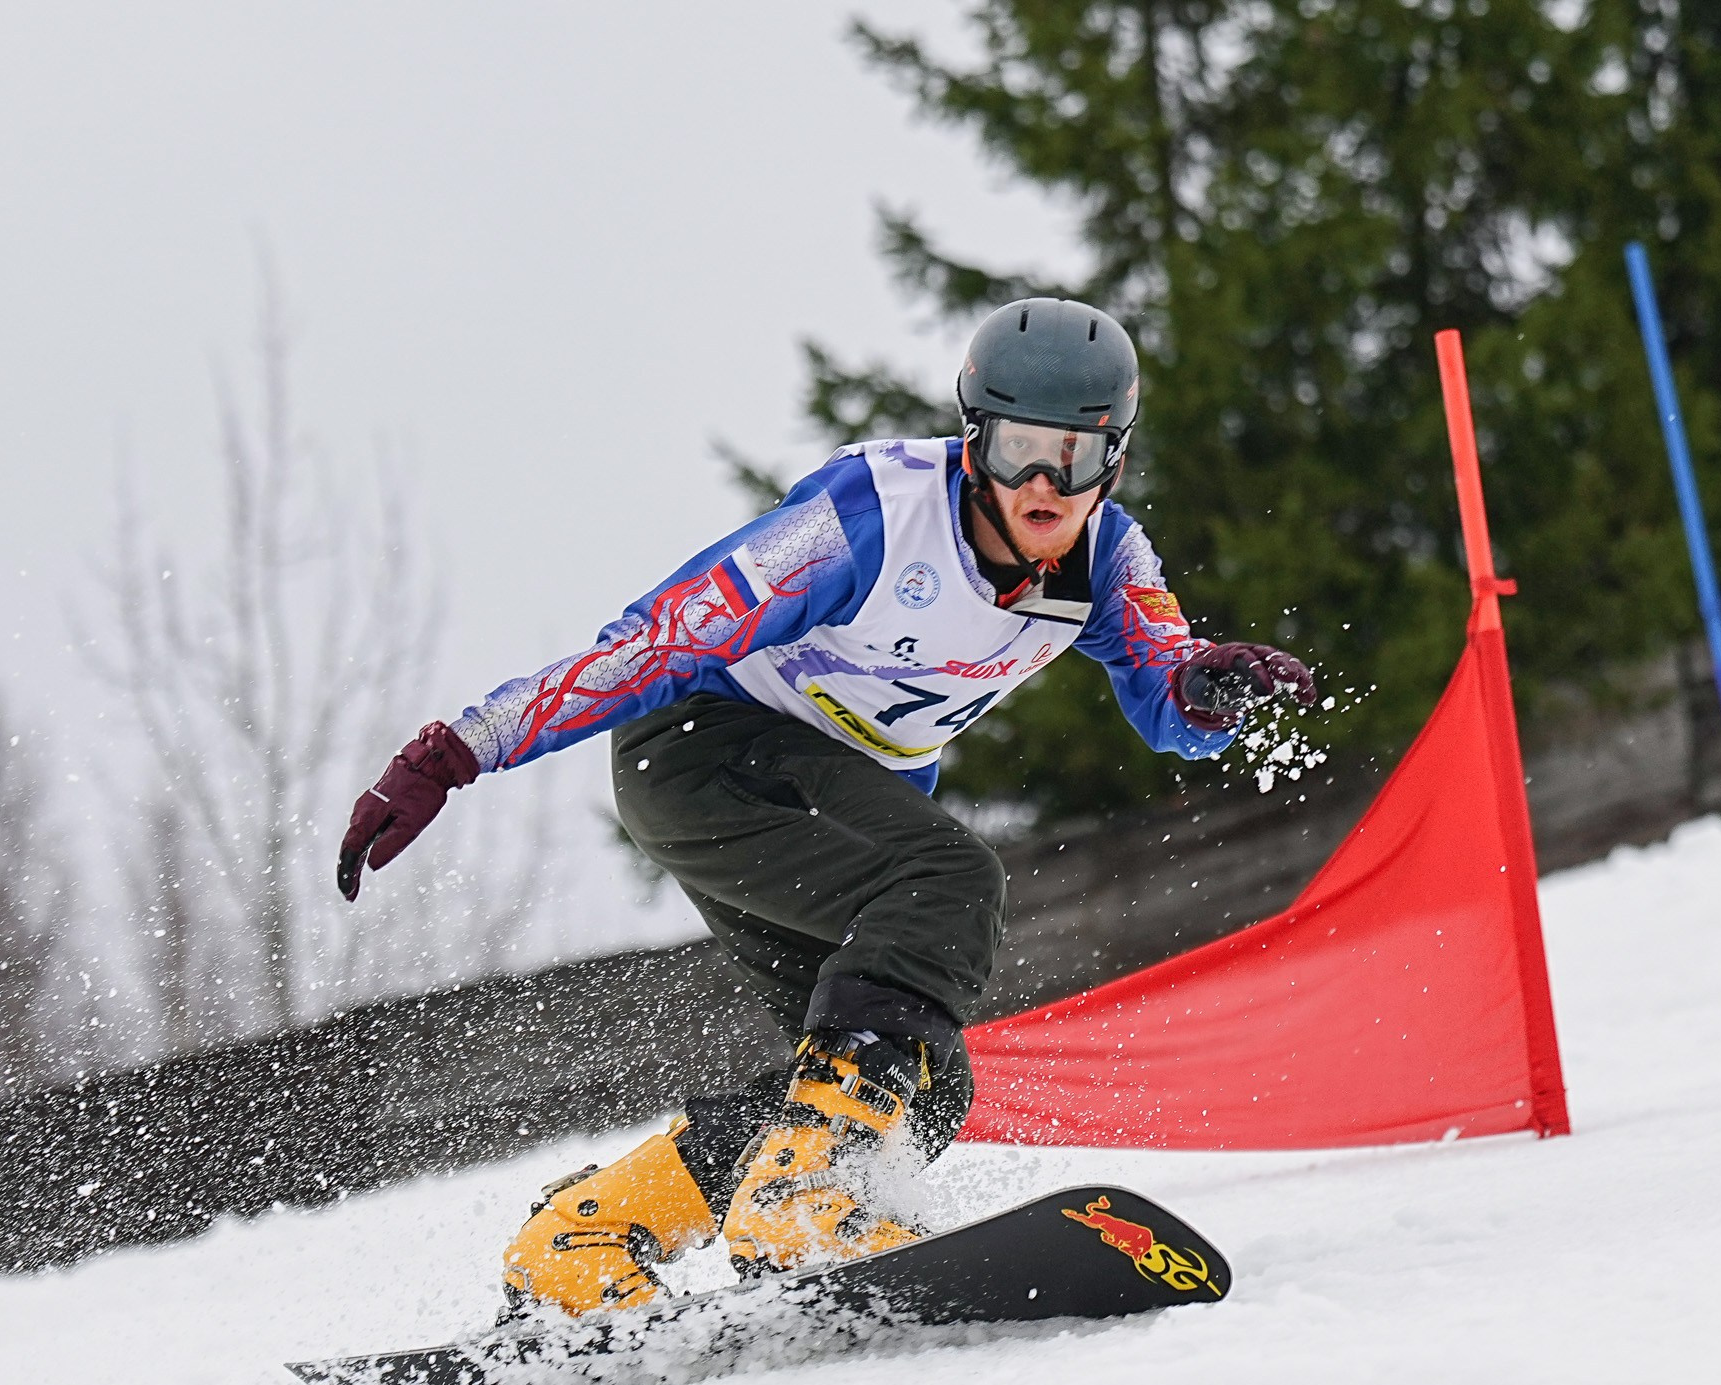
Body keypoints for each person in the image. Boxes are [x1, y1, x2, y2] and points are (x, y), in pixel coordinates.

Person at [337, 298, 1316, 1317]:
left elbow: (1167, 694)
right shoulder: (871, 518)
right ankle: (800, 1195)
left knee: (924, 1091)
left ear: (1111, 459)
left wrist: (1211, 683)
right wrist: (459, 750)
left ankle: (585, 1238)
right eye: (1020, 450)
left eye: (1073, 458)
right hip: (707, 756)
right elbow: (662, 639)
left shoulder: (1106, 560)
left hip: (821, 808)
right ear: (974, 437)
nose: (1042, 485)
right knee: (948, 882)